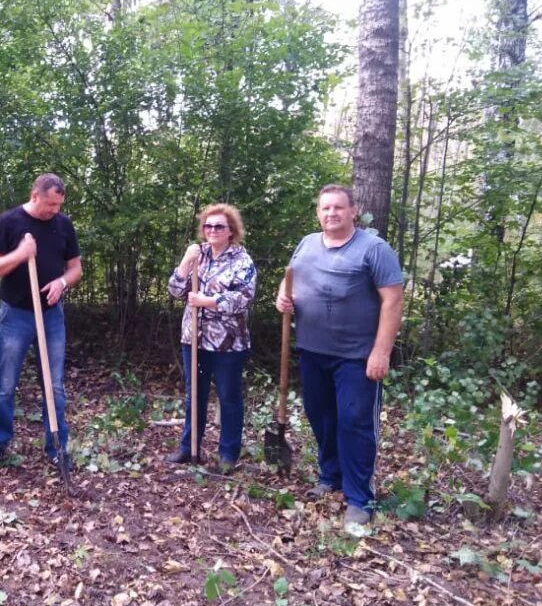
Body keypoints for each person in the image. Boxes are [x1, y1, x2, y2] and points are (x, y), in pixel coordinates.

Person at [275, 184, 404, 530]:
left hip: (357, 357)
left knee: (354, 422)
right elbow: (289, 281)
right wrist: (282, 300)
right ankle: (329, 476)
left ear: (353, 211)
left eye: (338, 208)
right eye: (325, 208)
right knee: (322, 418)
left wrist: (381, 351)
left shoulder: (374, 249)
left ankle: (360, 497)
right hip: (312, 350)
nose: (331, 213)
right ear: (318, 212)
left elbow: (393, 300)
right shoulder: (307, 244)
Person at [0, 174, 82, 471]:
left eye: (59, 205)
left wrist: (63, 282)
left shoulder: (63, 224)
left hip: (51, 316)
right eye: (50, 204)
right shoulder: (9, 222)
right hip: (16, 315)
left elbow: (75, 268)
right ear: (34, 195)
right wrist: (20, 255)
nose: (54, 211)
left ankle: (57, 447)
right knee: (6, 383)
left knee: (55, 385)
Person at [166, 204, 257, 474]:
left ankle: (228, 453)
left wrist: (208, 301)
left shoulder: (242, 260)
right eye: (208, 226)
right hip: (194, 339)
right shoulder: (197, 254)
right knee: (195, 393)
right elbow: (175, 290)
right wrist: (184, 262)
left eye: (219, 226)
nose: (212, 231)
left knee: (229, 397)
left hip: (228, 344)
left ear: (231, 231)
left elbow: (244, 298)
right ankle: (189, 447)